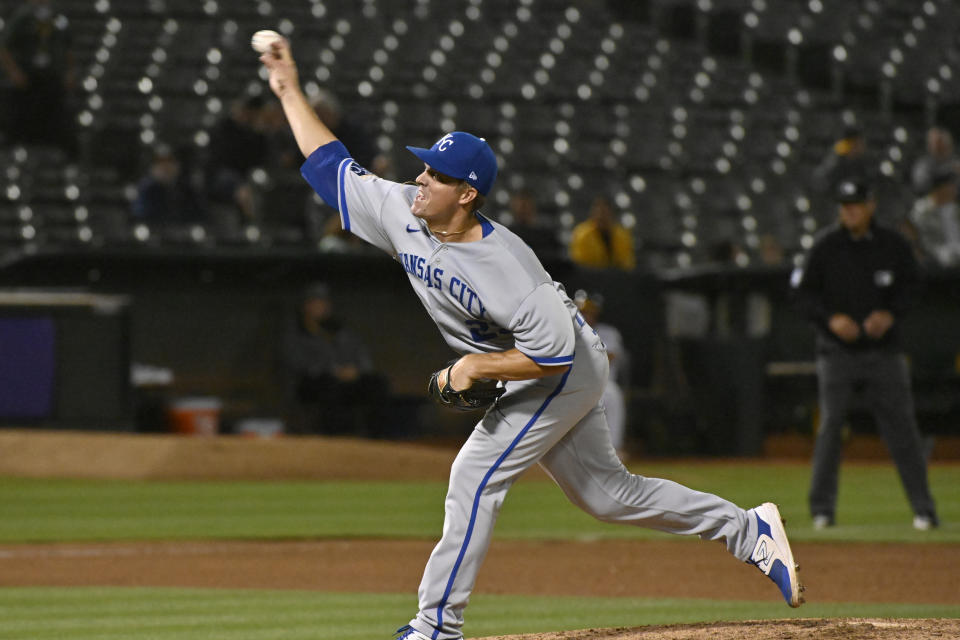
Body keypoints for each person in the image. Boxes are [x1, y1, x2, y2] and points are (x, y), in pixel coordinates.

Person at [259, 36, 803, 640]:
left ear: (466, 195)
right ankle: (747, 529)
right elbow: (328, 165)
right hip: (546, 361)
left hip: (563, 365)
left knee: (474, 474)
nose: (419, 179)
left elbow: (553, 355)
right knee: (607, 495)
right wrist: (288, 89)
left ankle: (435, 626)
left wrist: (473, 369)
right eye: (423, 166)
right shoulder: (401, 212)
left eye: (435, 175)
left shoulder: (508, 266)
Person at [791, 178, 939, 531]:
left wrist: (890, 314)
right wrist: (831, 319)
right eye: (845, 205)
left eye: (856, 204)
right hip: (836, 352)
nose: (850, 211)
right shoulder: (826, 246)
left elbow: (913, 286)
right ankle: (822, 511)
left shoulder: (892, 245)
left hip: (883, 352)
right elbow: (803, 295)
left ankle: (924, 510)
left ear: (871, 205)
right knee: (830, 429)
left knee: (902, 429)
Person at [280, 282, 386, 436]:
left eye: (323, 302)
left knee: (377, 383)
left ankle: (376, 439)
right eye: (315, 302)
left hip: (346, 380)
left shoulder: (340, 330)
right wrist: (332, 371)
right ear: (305, 306)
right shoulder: (295, 333)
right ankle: (334, 439)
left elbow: (362, 356)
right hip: (312, 383)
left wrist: (357, 371)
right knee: (329, 386)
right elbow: (296, 363)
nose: (320, 306)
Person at [0, 0, 77, 156]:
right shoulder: (22, 17)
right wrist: (14, 72)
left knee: (57, 115)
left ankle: (59, 151)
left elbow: (68, 47)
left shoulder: (58, 17)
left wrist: (70, 73)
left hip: (52, 76)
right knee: (21, 115)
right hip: (28, 76)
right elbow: (4, 47)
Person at [573, 290, 630, 457]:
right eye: (582, 311)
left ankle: (613, 449)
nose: (586, 315)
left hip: (603, 382)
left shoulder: (608, 332)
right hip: (575, 382)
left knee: (613, 395)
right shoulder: (567, 330)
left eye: (589, 312)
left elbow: (609, 357)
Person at [131, 144, 206, 224]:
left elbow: (199, 214)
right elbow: (140, 214)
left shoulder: (187, 189)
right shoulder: (146, 190)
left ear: (178, 165)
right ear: (152, 167)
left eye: (170, 161)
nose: (165, 167)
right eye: (160, 162)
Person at [907, 165, 960, 267]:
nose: (954, 189)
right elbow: (921, 241)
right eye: (950, 186)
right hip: (937, 260)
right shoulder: (921, 211)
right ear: (940, 188)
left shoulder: (955, 208)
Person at [568, 194, 636, 270]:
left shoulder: (622, 234)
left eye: (605, 212)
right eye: (599, 212)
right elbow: (579, 262)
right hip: (589, 276)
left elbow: (627, 261)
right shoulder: (582, 234)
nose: (602, 216)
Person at [811, 124, 873, 196]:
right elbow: (821, 178)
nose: (859, 146)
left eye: (860, 143)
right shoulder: (838, 156)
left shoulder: (865, 161)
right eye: (854, 144)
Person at [507, 189, 562, 262]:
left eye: (525, 205)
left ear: (533, 206)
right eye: (520, 206)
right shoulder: (507, 234)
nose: (523, 210)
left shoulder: (547, 235)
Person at [910, 126, 956, 196]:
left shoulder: (954, 160)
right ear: (930, 145)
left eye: (944, 141)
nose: (942, 145)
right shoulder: (923, 166)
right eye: (937, 142)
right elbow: (922, 186)